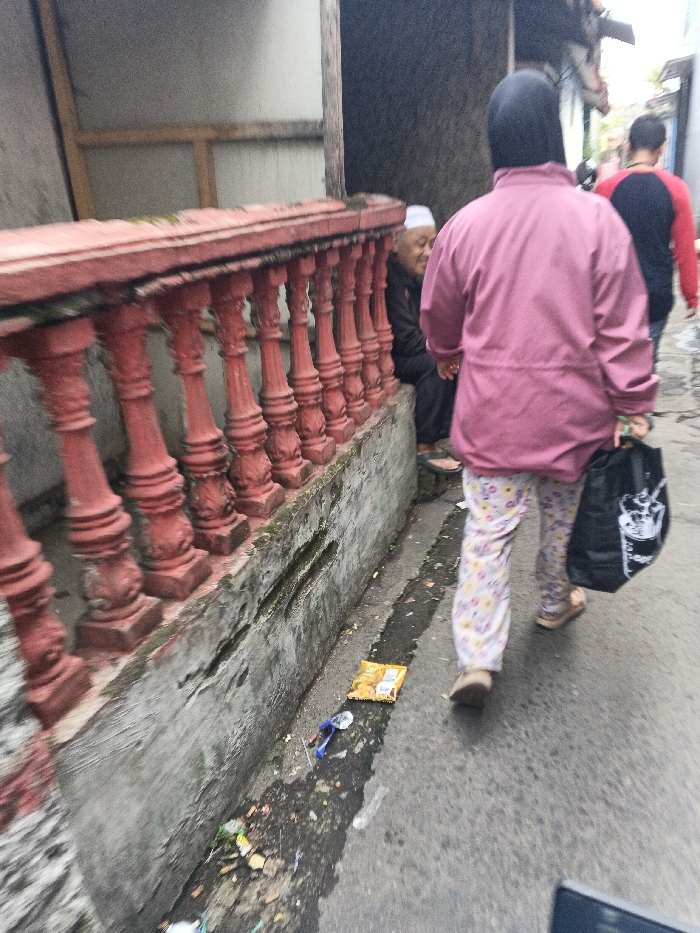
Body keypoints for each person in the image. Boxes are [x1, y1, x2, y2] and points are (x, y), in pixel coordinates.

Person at [420, 70, 657, 707]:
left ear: (494, 142)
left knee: (487, 535)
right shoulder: (598, 220)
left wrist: (446, 353)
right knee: (560, 521)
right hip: (573, 421)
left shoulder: (465, 226)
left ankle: (477, 657)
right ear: (555, 135)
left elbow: (439, 313)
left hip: (493, 419)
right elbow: (623, 328)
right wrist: (633, 404)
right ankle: (554, 602)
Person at [595, 115, 698, 363]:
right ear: (661, 148)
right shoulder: (676, 189)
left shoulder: (606, 189)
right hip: (656, 297)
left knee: (611, 365)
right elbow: (685, 249)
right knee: (645, 367)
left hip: (615, 297)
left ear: (629, 146)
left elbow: (592, 248)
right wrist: (691, 295)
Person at [386, 205, 461, 474]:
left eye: (432, 244)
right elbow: (406, 340)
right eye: (420, 244)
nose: (428, 252)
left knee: (453, 357)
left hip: (409, 352)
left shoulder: (415, 279)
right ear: (396, 244)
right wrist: (440, 350)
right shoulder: (389, 279)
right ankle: (424, 446)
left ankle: (453, 432)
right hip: (390, 359)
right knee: (434, 365)